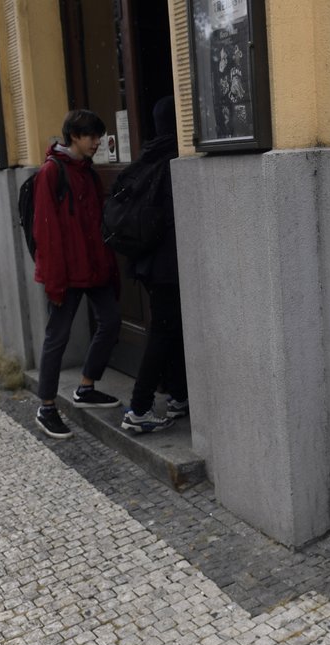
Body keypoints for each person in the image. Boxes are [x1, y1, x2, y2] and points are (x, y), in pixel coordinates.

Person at [33, 109, 122, 439]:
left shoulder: (88, 172)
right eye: (91, 136)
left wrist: (106, 265)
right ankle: (46, 406)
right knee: (57, 337)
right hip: (65, 274)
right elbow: (46, 231)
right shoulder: (51, 172)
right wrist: (54, 281)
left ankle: (86, 386)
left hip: (92, 268)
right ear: (73, 136)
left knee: (111, 320)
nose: (97, 142)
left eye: (98, 136)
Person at [120, 97, 189, 434]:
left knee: (169, 330)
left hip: (149, 265)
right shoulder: (173, 159)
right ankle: (139, 408)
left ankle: (177, 396)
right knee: (163, 334)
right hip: (167, 268)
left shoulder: (149, 156)